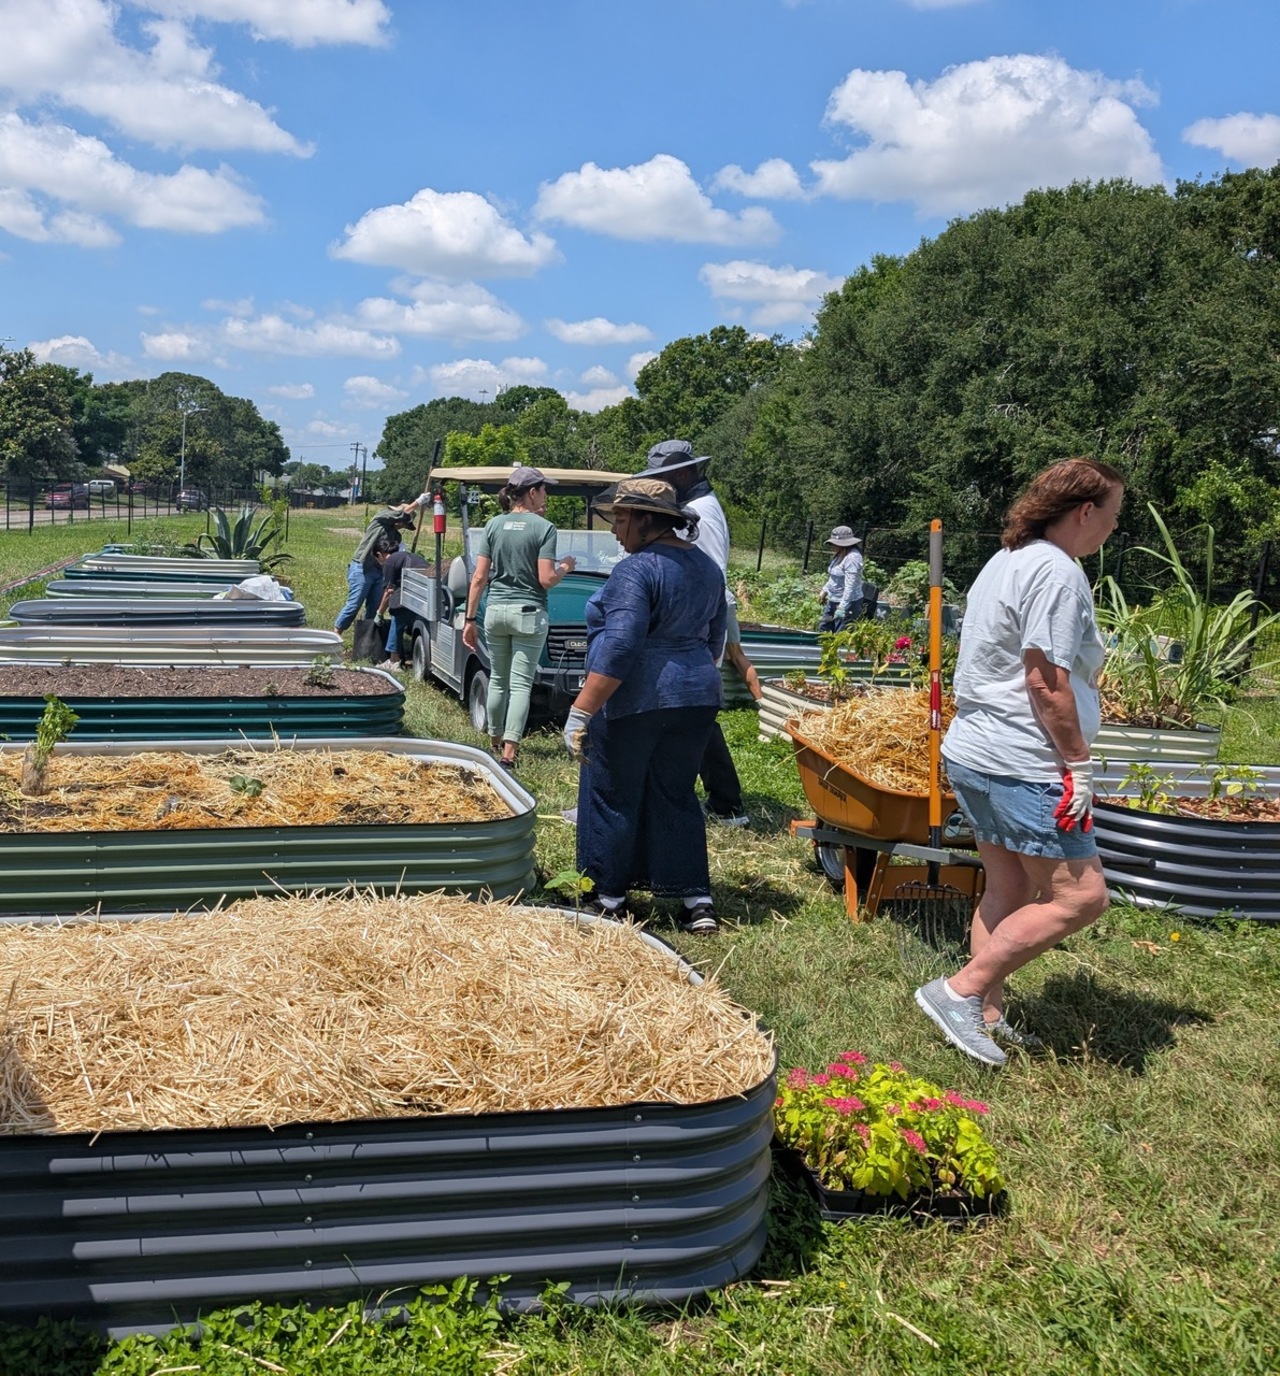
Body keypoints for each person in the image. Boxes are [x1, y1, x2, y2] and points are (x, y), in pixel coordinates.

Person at [915, 457, 1125, 1068]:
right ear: (1085, 511)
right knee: (1081, 898)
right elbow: (1044, 681)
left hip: (978, 750)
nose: (1113, 528)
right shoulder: (1058, 573)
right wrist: (1078, 763)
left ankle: (985, 1016)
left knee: (1007, 886)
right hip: (1024, 762)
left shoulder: (1007, 560)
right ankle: (959, 991)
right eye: (1112, 516)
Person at [562, 476, 727, 935]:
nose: (616, 530)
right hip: (697, 697)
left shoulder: (637, 570)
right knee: (675, 792)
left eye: (620, 518)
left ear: (645, 520)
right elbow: (715, 639)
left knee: (613, 792)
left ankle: (609, 898)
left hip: (638, 698)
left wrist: (581, 712)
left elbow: (619, 648)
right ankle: (697, 901)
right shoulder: (708, 569)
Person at [640, 439, 749, 827]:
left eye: (662, 477)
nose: (659, 486)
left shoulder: (700, 511)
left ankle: (726, 802)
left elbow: (710, 573)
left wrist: (699, 639)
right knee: (690, 716)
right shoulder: (697, 506)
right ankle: (722, 800)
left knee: (693, 717)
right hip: (693, 630)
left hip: (696, 632)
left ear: (683, 473)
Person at [461, 466, 575, 769]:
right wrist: (566, 566)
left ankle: (494, 741)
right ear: (532, 492)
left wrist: (469, 619)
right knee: (521, 684)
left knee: (497, 678)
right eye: (544, 489)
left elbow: (479, 577)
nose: (546, 495)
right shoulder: (544, 528)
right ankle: (509, 752)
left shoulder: (493, 525)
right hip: (528, 614)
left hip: (495, 611)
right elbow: (547, 579)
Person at [334, 499, 422, 634]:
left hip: (380, 572)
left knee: (374, 606)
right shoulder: (380, 519)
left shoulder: (396, 536)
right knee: (354, 604)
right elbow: (399, 515)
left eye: (404, 524)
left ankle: (366, 638)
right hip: (363, 568)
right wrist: (419, 501)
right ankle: (336, 634)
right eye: (403, 522)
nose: (401, 525)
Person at [375, 541, 429, 670]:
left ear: (379, 555)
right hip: (427, 590)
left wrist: (379, 613)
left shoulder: (389, 562)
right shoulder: (405, 556)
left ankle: (394, 660)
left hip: (414, 588)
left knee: (397, 614)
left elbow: (389, 591)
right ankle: (408, 654)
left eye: (377, 560)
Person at [817, 525, 864, 633]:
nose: (833, 546)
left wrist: (842, 607)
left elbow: (850, 586)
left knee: (840, 633)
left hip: (848, 603)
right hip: (833, 600)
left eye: (835, 543)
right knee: (824, 627)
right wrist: (824, 590)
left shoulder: (853, 558)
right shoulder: (839, 554)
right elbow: (834, 578)